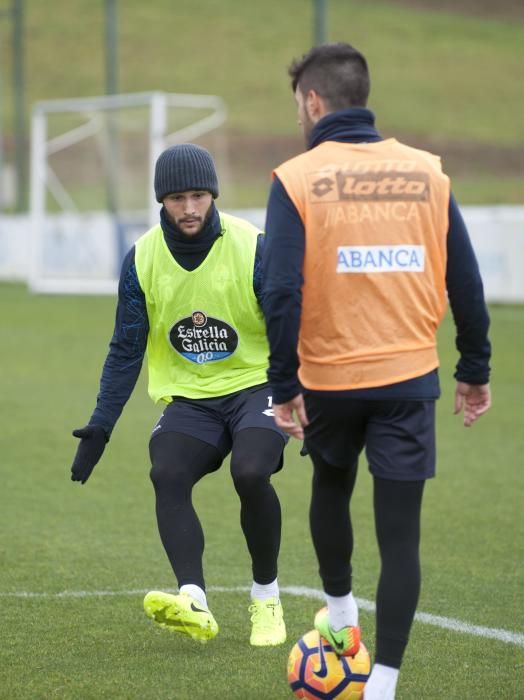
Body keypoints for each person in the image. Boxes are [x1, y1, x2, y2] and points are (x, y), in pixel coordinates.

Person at [262, 43, 491, 699]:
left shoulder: (298, 178)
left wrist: (284, 385)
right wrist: (473, 367)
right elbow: (466, 280)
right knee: (401, 537)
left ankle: (340, 617)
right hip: (409, 379)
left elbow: (280, 292)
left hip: (330, 381)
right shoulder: (427, 174)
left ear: (313, 102)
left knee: (330, 487)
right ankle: (383, 684)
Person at [70, 143, 288, 648]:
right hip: (190, 398)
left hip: (259, 384)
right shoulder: (142, 258)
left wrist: (304, 400)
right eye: (175, 198)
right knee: (166, 472)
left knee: (251, 472)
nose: (188, 208)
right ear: (160, 202)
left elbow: (291, 328)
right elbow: (126, 347)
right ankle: (194, 598)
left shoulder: (254, 247)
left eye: (197, 196)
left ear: (213, 194)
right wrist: (101, 425)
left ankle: (266, 597)